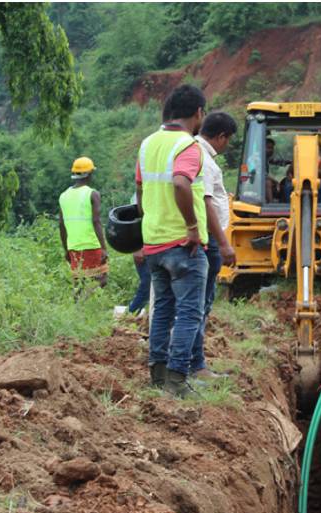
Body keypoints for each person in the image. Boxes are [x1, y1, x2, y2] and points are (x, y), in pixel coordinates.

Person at [135, 84, 208, 397]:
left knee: (162, 310)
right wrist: (192, 226)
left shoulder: (147, 145)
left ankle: (158, 375)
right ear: (198, 114)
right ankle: (177, 382)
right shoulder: (187, 146)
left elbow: (140, 193)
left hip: (154, 243)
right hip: (183, 244)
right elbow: (181, 182)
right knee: (189, 313)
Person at [190, 112, 239, 379]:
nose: (227, 145)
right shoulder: (205, 161)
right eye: (227, 140)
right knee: (200, 305)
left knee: (198, 304)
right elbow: (207, 201)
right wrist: (224, 243)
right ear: (221, 136)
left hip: (206, 242)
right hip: (209, 243)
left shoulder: (196, 153)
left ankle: (195, 363)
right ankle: (196, 366)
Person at [58, 156, 109, 290]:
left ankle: (78, 307)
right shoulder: (92, 194)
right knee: (101, 280)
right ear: (90, 174)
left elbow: (61, 226)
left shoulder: (64, 196)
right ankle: (80, 305)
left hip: (73, 247)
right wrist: (103, 247)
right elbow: (96, 221)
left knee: (79, 283)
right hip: (91, 245)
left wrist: (66, 250)